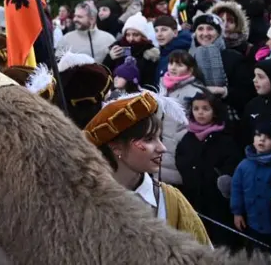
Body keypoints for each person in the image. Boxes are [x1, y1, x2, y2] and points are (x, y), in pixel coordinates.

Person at [82, 91, 210, 245]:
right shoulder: (85, 205)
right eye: (149, 139)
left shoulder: (171, 201)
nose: (162, 148)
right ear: (117, 147)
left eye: (159, 138)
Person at [175, 92, 242, 248]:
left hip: (217, 201)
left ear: (215, 112)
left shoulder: (224, 138)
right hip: (193, 197)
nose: (200, 113)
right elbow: (180, 159)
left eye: (205, 109)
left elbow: (232, 164)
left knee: (220, 240)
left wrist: (216, 177)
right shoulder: (188, 137)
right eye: (196, 108)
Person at [231, 121, 271, 251]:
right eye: (258, 135)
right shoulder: (244, 165)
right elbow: (237, 190)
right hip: (252, 222)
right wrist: (237, 212)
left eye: (268, 137)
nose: (262, 139)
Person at [158, 51, 206, 186]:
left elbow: (198, 123)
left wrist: (180, 137)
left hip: (179, 150)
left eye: (179, 65)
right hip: (159, 148)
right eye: (171, 63)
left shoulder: (196, 91)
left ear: (190, 69)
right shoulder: (162, 87)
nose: (173, 68)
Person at [101, 14, 159, 89]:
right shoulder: (117, 48)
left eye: (135, 35)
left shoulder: (149, 53)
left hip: (138, 92)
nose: (131, 39)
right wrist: (110, 58)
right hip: (114, 92)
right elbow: (103, 72)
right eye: (128, 35)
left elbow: (149, 81)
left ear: (143, 36)